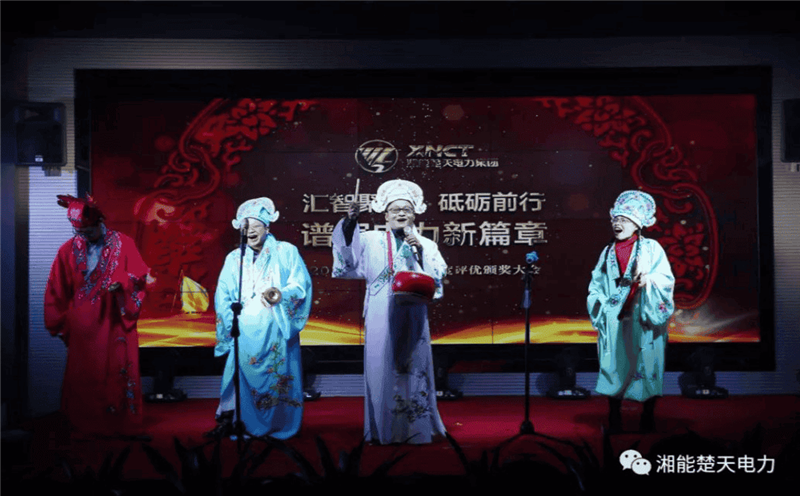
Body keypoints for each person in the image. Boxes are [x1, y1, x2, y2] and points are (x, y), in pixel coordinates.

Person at [332, 179, 447, 444]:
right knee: (380, 366)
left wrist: (420, 252)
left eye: (406, 209)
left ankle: (416, 429)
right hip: (380, 313)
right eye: (395, 209)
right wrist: (350, 223)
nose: (401, 214)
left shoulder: (426, 243)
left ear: (414, 214)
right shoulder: (371, 239)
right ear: (385, 215)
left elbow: (437, 277)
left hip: (413, 313)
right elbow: (348, 256)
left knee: (413, 365)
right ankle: (382, 429)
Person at [44, 194, 151, 438]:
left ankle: (124, 425)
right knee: (85, 372)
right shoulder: (68, 250)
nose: (84, 236)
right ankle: (85, 425)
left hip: (115, 319)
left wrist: (122, 283)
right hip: (83, 324)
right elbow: (56, 287)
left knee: (118, 369)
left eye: (89, 230)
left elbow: (139, 277)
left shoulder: (124, 244)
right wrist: (58, 322)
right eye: (79, 232)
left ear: (100, 222)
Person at [208, 197, 312, 439]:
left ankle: (277, 423)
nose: (251, 231)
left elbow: (301, 285)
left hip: (276, 327)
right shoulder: (234, 258)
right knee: (236, 374)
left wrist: (280, 294)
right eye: (246, 226)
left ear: (267, 227)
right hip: (245, 329)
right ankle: (233, 420)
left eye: (256, 225)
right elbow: (223, 294)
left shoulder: (286, 251)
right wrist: (229, 324)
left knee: (276, 377)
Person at [587, 190, 675, 433]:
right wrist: (602, 304)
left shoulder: (651, 248)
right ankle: (614, 416)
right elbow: (596, 284)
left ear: (637, 224)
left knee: (647, 364)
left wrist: (648, 280)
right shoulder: (607, 252)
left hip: (643, 316)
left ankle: (648, 416)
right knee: (615, 365)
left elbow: (665, 279)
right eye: (616, 219)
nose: (618, 224)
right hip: (616, 319)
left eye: (624, 220)